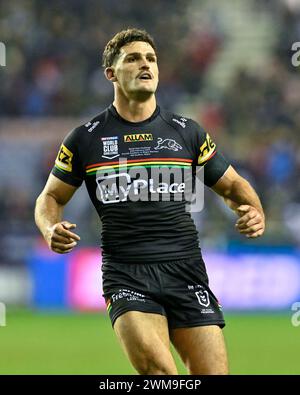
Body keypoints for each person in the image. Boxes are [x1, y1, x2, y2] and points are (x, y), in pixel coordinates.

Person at [34, 28, 265, 375]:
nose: (146, 64)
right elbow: (51, 196)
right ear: (111, 73)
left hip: (187, 271)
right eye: (133, 58)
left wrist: (254, 210)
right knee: (161, 375)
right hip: (127, 276)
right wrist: (49, 226)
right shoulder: (86, 138)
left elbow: (232, 185)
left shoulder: (187, 131)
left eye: (151, 59)